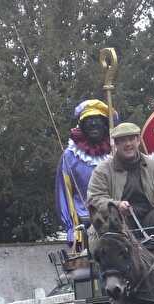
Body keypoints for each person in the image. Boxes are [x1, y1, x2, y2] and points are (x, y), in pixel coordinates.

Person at [87, 122, 154, 238]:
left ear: (138, 140)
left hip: (150, 219)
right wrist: (116, 205)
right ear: (116, 144)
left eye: (131, 139)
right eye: (123, 140)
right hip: (118, 223)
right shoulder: (102, 170)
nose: (128, 144)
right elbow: (94, 199)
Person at [55, 99, 115, 249]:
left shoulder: (116, 154)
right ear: (81, 126)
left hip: (115, 222)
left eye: (97, 120)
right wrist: (71, 227)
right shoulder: (70, 157)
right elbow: (64, 193)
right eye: (89, 120)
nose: (93, 124)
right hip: (84, 224)